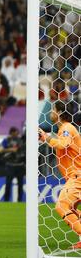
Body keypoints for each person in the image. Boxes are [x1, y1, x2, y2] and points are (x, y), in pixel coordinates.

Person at [38, 102, 81, 249]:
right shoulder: (64, 129)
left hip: (77, 176)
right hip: (74, 177)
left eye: (53, 110)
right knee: (72, 209)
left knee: (62, 205)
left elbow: (63, 144)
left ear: (60, 112)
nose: (50, 113)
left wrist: (45, 138)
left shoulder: (67, 128)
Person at [0, 127, 25, 202]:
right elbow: (0, 150)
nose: (17, 134)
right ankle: (6, 201)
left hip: (20, 165)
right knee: (8, 184)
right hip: (10, 165)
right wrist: (10, 150)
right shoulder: (6, 140)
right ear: (12, 133)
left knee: (20, 185)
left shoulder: (21, 140)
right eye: (16, 133)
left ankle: (19, 200)